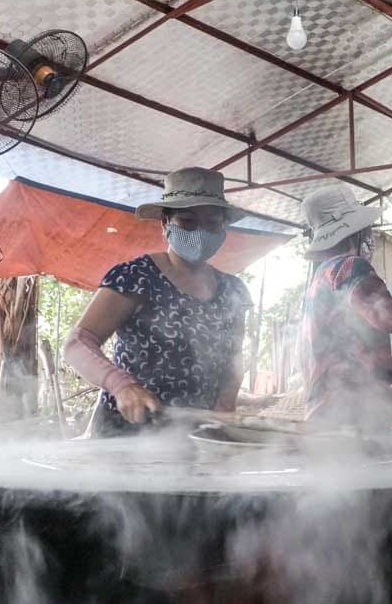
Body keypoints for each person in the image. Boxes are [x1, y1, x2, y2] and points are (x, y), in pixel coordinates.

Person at [63, 168, 252, 437]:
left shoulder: (234, 290)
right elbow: (77, 344)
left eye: (212, 223)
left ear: (223, 227)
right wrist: (121, 386)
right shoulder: (136, 277)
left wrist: (226, 401)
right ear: (165, 223)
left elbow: (234, 356)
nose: (200, 231)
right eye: (187, 221)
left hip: (197, 436)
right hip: (127, 436)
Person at [299, 184, 392, 431]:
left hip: (329, 423)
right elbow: (385, 314)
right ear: (357, 232)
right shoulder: (349, 267)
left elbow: (372, 376)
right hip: (349, 423)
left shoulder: (321, 280)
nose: (370, 237)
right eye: (367, 231)